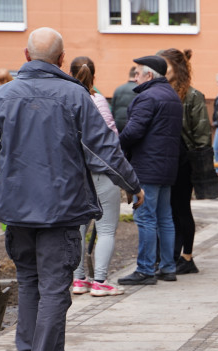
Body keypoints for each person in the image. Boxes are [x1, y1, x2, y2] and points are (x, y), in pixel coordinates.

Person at [0, 27, 142, 351]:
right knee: (53, 287)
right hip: (59, 210)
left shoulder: (2, 97)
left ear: (27, 56)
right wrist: (132, 184)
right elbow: (104, 149)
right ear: (62, 59)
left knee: (30, 281)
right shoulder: (76, 97)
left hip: (16, 210)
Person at [117, 55, 183, 286]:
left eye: (137, 73)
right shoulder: (172, 96)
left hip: (147, 167)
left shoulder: (147, 97)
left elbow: (134, 131)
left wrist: (117, 143)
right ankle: (168, 267)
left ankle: (145, 269)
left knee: (145, 217)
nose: (134, 78)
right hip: (166, 167)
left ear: (149, 75)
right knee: (165, 218)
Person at [68, 56, 124, 297]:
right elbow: (111, 138)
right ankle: (100, 281)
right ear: (95, 75)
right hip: (102, 171)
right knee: (106, 228)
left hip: (75, 172)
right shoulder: (98, 100)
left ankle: (78, 280)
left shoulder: (65, 99)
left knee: (79, 227)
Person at [158, 47, 212, 274]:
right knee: (168, 210)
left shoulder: (192, 96)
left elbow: (202, 134)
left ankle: (187, 258)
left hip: (185, 161)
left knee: (181, 208)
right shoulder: (160, 91)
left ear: (177, 68)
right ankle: (170, 256)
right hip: (165, 159)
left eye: (165, 65)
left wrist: (199, 166)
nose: (161, 70)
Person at [111, 66, 138, 132]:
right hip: (132, 125)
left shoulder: (118, 89)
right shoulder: (139, 90)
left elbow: (113, 109)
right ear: (136, 75)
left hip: (118, 124)